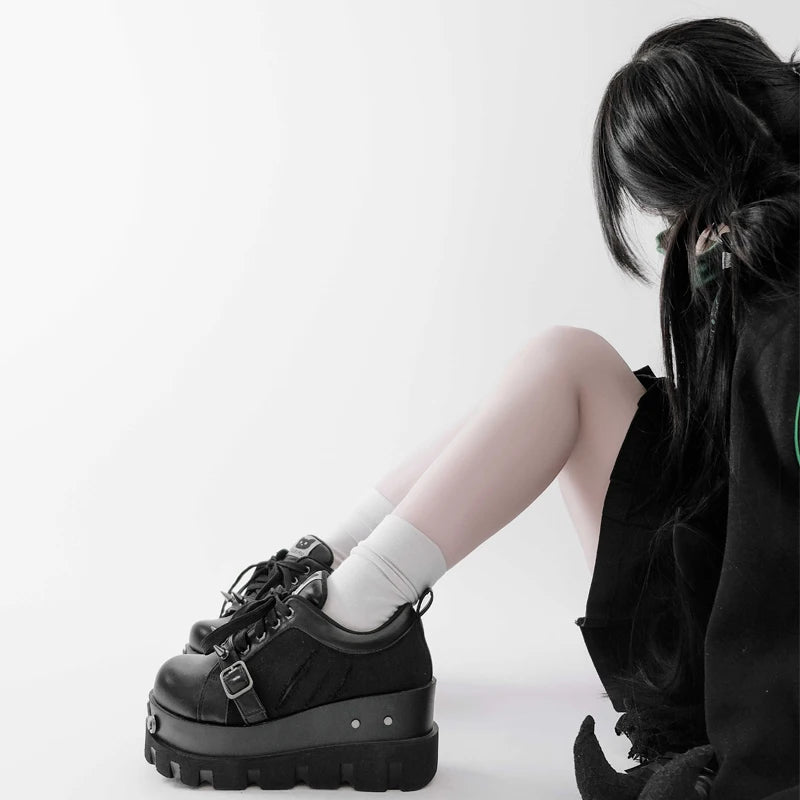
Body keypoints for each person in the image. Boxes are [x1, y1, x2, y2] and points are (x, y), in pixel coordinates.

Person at [143, 16, 800, 798]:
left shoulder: (782, 314)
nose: (677, 241)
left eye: (669, 215)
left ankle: (341, 625)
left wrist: (749, 750)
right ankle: (331, 581)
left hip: (747, 668)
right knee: (566, 366)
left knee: (566, 363)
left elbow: (774, 536)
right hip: (723, 597)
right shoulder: (767, 263)